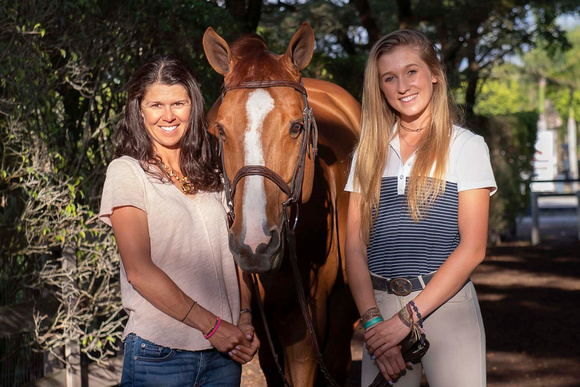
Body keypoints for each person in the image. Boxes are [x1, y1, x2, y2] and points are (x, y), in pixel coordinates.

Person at [345, 30, 497, 387]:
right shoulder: (367, 153)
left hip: (447, 307)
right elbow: (353, 246)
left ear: (434, 74)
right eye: (389, 77)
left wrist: (406, 320)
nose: (402, 86)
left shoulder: (466, 146)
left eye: (411, 71)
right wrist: (374, 325)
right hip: (379, 313)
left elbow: (473, 248)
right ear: (379, 87)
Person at [99, 55, 259, 386]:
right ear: (139, 110)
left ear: (193, 106)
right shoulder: (127, 172)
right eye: (156, 104)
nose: (168, 115)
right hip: (160, 355)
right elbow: (139, 272)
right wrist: (214, 327)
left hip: (224, 356)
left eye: (178, 103)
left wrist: (244, 316)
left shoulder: (215, 169)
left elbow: (237, 249)